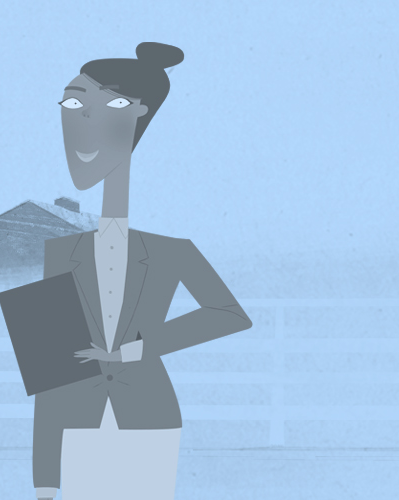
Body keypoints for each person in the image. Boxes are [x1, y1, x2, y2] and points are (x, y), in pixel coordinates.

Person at [29, 42, 253, 500]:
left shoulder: (171, 249)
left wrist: (136, 351)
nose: (81, 120)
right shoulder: (56, 251)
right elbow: (50, 384)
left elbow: (230, 313)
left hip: (148, 421)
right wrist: (45, 481)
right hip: (75, 426)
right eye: (72, 103)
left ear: (137, 112)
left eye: (107, 104)